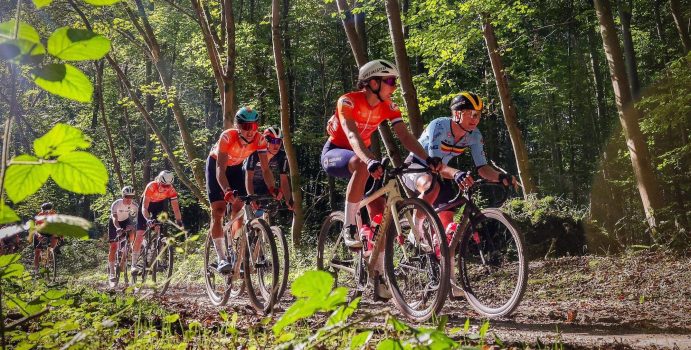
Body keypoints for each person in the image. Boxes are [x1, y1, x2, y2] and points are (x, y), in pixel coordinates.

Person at [320, 59, 442, 299]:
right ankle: (349, 227)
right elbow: (353, 135)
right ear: (372, 82)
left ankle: (378, 273)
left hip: (366, 157)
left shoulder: (388, 105)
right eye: (390, 81)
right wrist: (369, 160)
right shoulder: (348, 101)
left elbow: (405, 136)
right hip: (337, 152)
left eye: (395, 82)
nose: (394, 86)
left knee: (382, 215)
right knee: (360, 165)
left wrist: (427, 159)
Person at [207, 107, 277, 273]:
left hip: (237, 167)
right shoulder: (227, 136)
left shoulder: (260, 140)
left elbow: (266, 170)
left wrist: (273, 188)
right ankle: (221, 257)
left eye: (254, 126)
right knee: (218, 210)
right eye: (246, 127)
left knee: (239, 207)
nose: (251, 131)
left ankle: (235, 249)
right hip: (217, 167)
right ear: (238, 126)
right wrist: (227, 190)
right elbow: (220, 170)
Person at [132, 170, 184, 274]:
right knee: (139, 234)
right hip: (147, 204)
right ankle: (133, 264)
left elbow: (176, 208)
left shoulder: (171, 189)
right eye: (164, 185)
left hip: (159, 205)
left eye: (168, 186)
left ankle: (152, 252)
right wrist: (148, 219)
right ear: (159, 181)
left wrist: (179, 221)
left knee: (158, 228)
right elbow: (144, 207)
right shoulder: (151, 186)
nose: (166, 188)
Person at [243, 126, 293, 212]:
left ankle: (259, 223)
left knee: (262, 210)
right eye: (273, 141)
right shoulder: (255, 152)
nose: (276, 145)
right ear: (265, 141)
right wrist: (251, 196)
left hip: (263, 182)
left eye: (279, 141)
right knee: (240, 208)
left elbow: (284, 179)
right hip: (245, 179)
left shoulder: (281, 156)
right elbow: (249, 177)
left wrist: (288, 199)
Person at [107, 186, 138, 282]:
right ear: (123, 196)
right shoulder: (116, 204)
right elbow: (115, 219)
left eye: (131, 197)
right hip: (114, 223)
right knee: (113, 247)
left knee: (132, 232)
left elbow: (137, 219)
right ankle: (112, 273)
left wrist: (133, 226)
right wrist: (118, 228)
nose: (129, 199)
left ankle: (130, 247)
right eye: (127, 196)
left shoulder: (134, 206)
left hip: (126, 221)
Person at [33, 202, 58, 275]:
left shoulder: (54, 214)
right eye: (44, 211)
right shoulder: (40, 215)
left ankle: (50, 255)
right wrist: (39, 236)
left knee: (55, 237)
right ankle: (36, 270)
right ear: (42, 210)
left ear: (51, 210)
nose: (46, 213)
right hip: (40, 232)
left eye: (48, 211)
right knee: (37, 252)